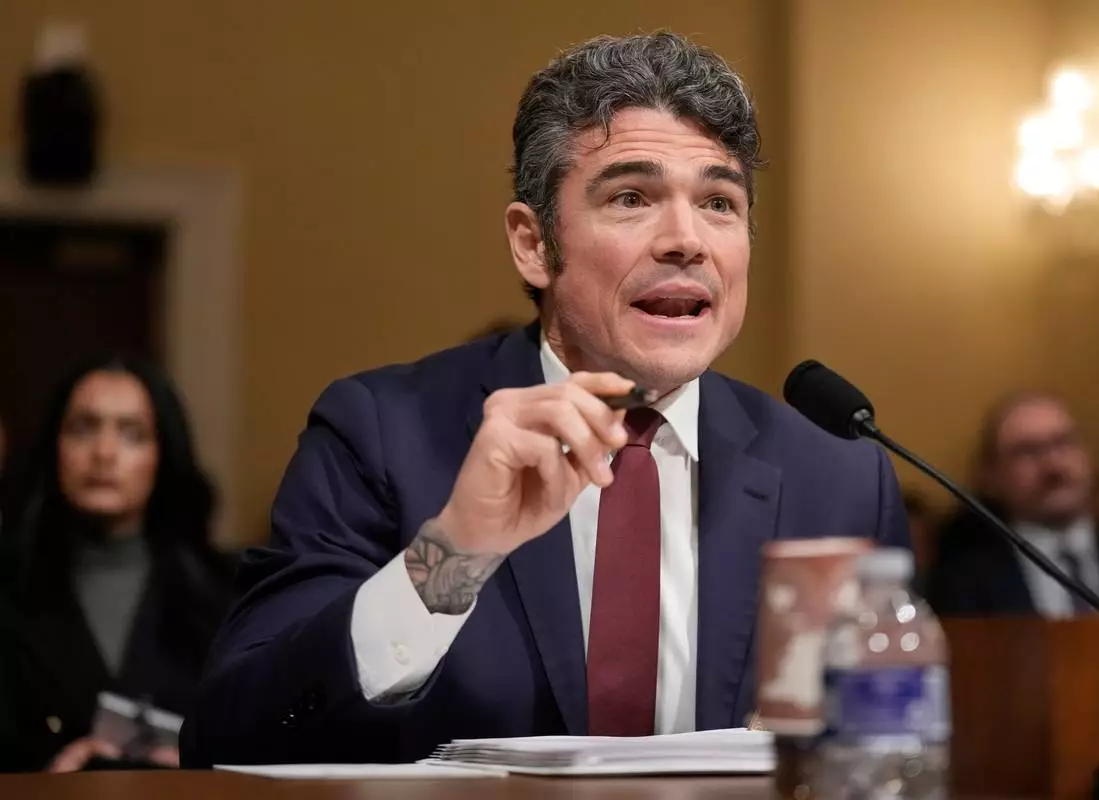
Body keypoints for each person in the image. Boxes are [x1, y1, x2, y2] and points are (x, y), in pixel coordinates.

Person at [181, 32, 908, 767]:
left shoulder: (838, 477)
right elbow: (228, 738)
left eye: (719, 202)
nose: (686, 241)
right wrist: (454, 552)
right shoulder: (381, 434)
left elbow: (892, 752)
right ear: (534, 245)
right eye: (632, 198)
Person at [0, 355, 234, 772]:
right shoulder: (9, 585)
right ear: (54, 446)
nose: (104, 453)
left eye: (132, 434)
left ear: (163, 454)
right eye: (83, 428)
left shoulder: (225, 591)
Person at [925, 391, 1099, 617]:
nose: (1053, 465)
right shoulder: (962, 585)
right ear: (992, 475)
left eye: (1063, 442)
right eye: (1027, 451)